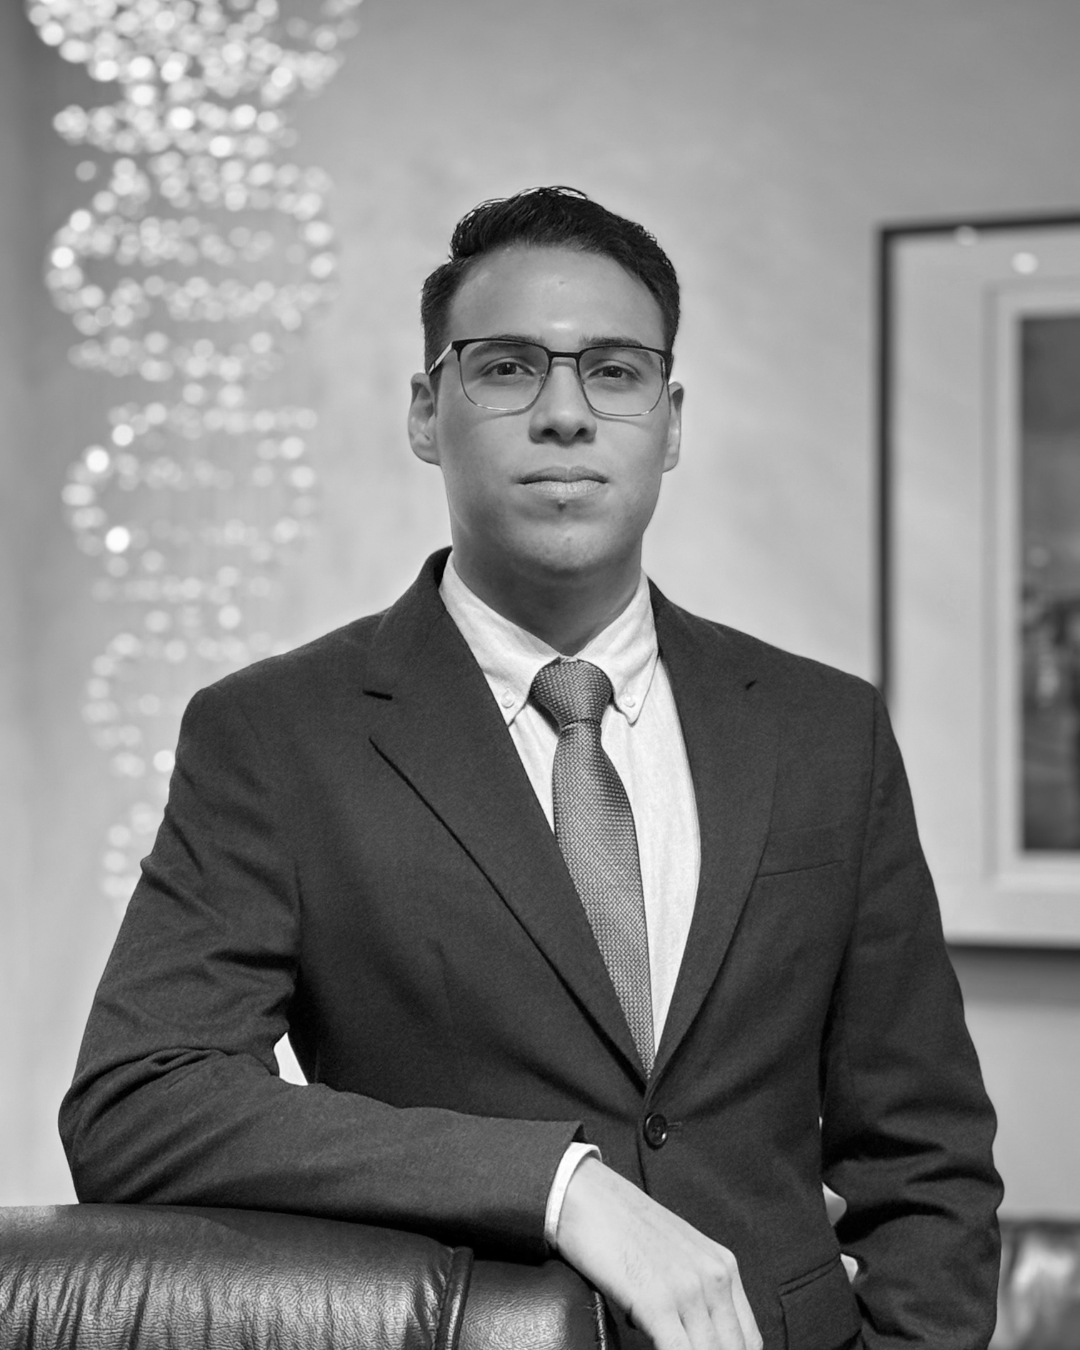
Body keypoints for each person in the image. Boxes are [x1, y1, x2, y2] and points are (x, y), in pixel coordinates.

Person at [61, 186, 1002, 1350]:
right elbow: (139, 1099)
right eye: (507, 368)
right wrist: (555, 1185)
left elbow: (927, 1154)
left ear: (670, 421)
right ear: (426, 410)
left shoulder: (824, 730)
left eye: (614, 371)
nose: (565, 414)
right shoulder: (276, 735)